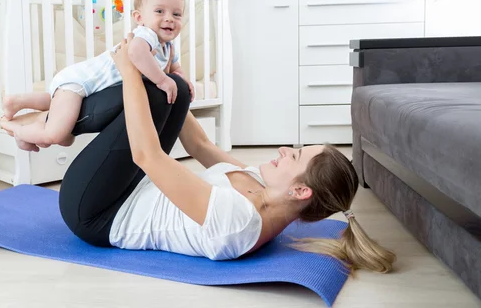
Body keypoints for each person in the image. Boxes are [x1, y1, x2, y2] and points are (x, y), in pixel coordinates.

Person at [45, 32, 395, 272]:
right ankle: (53, 118)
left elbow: (147, 156)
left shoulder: (239, 220)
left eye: (296, 156)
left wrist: (129, 69)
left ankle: (48, 124)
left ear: (300, 190)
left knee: (148, 90)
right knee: (172, 90)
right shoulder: (265, 187)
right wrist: (170, 78)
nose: (285, 150)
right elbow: (201, 145)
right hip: (129, 189)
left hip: (96, 212)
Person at [0, 0, 194, 152]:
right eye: (160, 11)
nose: (169, 18)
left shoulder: (167, 46)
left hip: (83, 86)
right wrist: (162, 80)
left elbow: (176, 69)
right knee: (57, 135)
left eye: (176, 14)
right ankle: (17, 129)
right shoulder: (145, 36)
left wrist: (184, 81)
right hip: (78, 83)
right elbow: (136, 53)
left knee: (62, 124)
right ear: (139, 18)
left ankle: (17, 102)